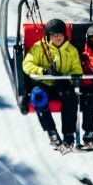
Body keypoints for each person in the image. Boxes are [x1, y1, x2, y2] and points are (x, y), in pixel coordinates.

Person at [22, 18, 84, 151]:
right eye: (55, 35)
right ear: (48, 36)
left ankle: (68, 134)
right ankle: (52, 132)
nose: (58, 38)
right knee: (38, 96)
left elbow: (77, 69)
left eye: (61, 35)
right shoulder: (39, 48)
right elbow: (27, 65)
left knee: (71, 97)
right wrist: (43, 71)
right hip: (44, 83)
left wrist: (69, 78)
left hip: (63, 83)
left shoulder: (70, 50)